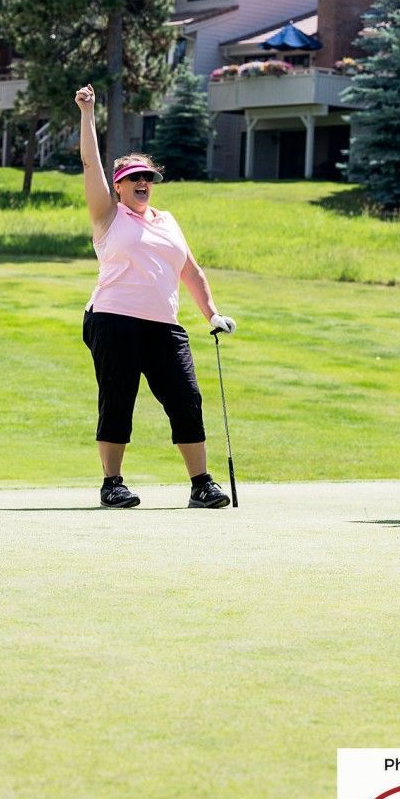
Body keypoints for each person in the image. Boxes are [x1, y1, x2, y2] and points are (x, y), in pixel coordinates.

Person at [74, 83, 235, 509]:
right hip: (113, 320)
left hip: (164, 325)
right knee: (118, 398)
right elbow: (90, 162)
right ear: (119, 185)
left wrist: (212, 314)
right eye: (134, 178)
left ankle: (201, 484)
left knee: (187, 398)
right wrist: (88, 111)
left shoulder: (167, 222)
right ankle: (113, 483)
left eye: (148, 177)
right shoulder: (108, 214)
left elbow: (190, 270)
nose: (143, 183)